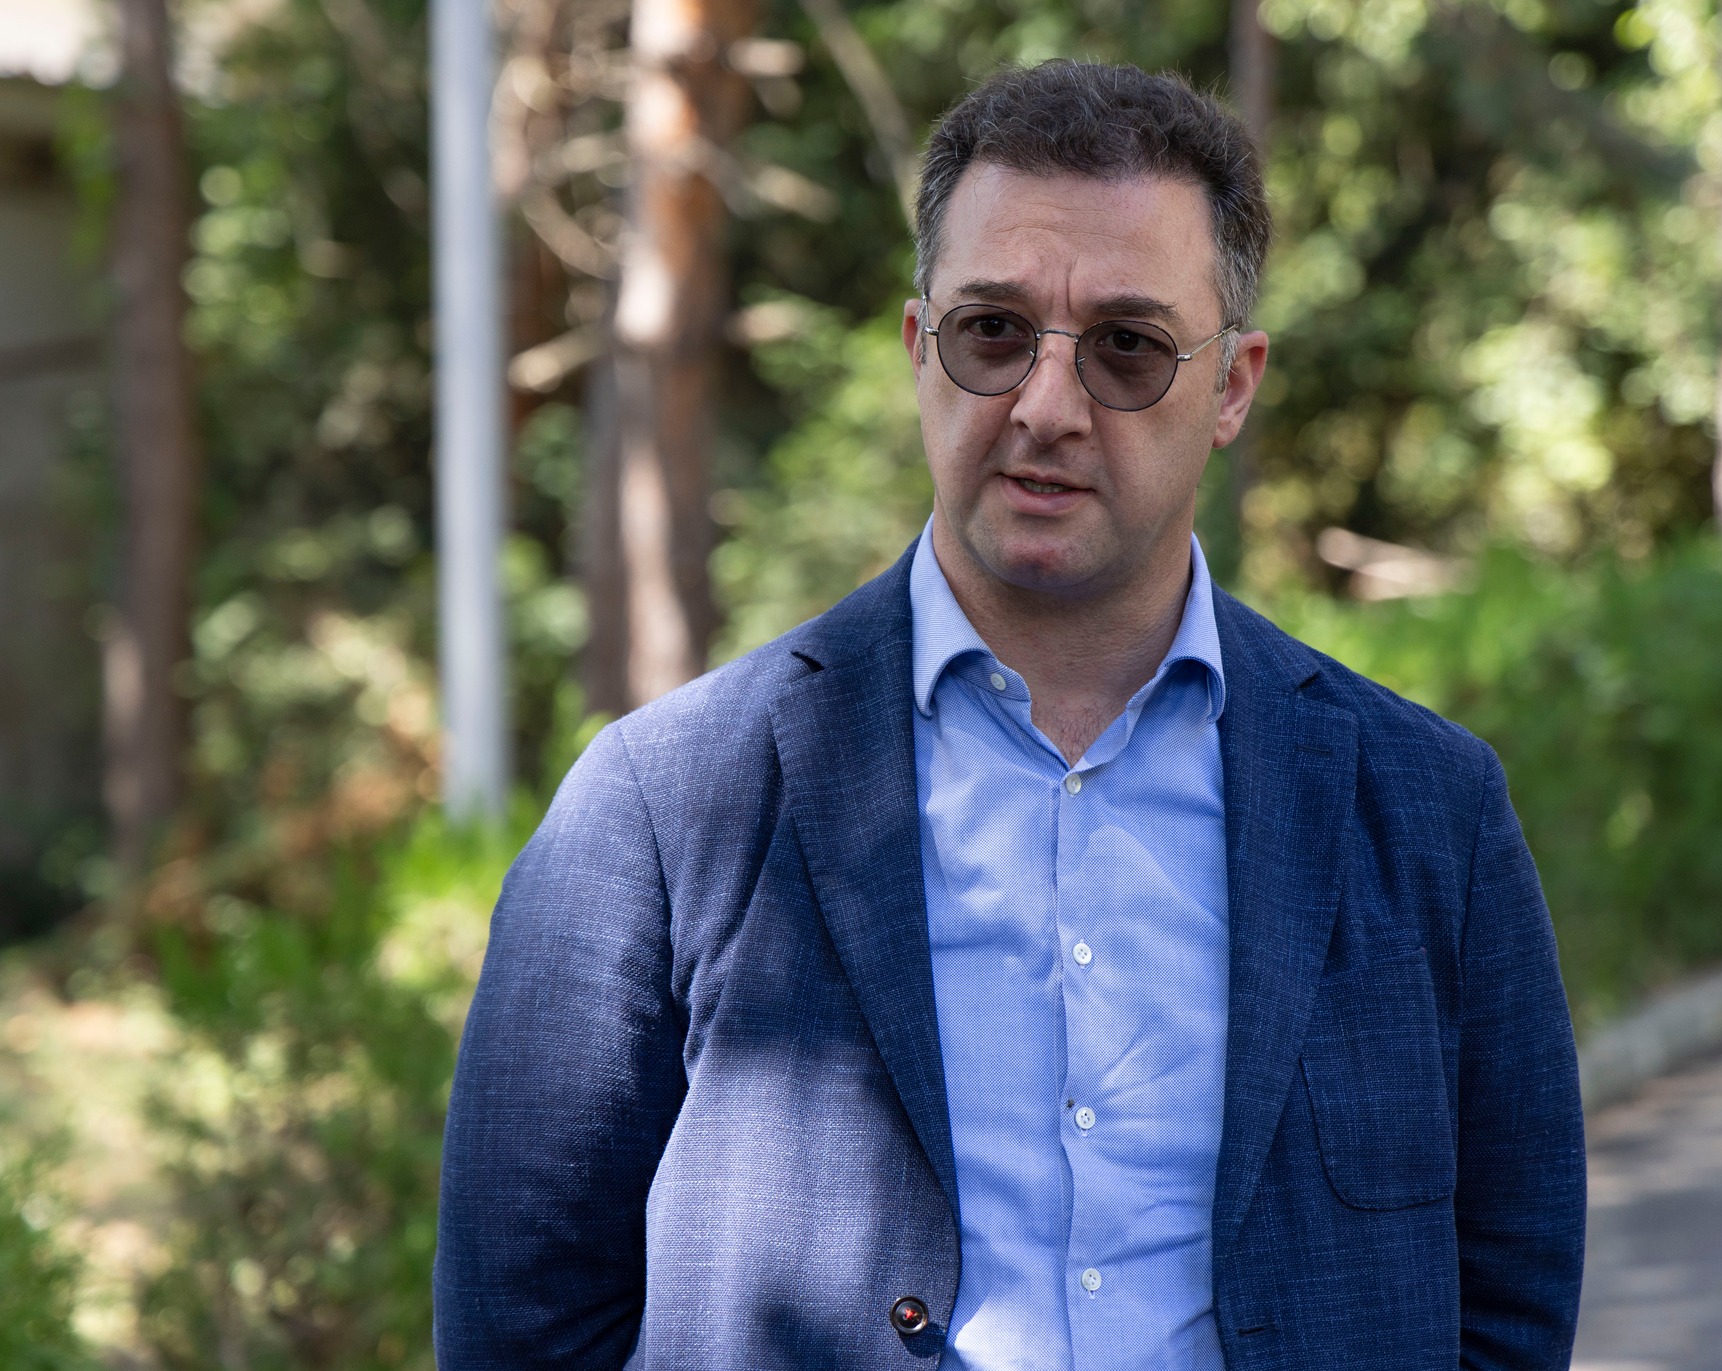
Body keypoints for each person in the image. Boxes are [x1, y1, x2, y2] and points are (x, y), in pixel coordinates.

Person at [434, 59, 1585, 1371]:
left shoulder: (1429, 812)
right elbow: (519, 1319)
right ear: (918, 348)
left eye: (1128, 348)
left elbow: (1510, 1299)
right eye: (993, 331)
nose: (1046, 406)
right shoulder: (665, 806)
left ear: (1233, 386)